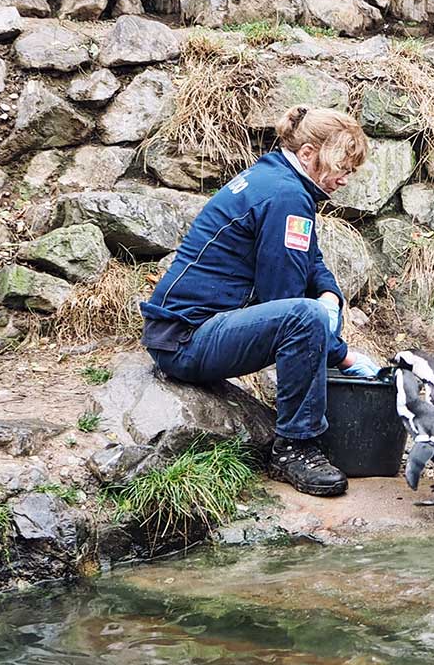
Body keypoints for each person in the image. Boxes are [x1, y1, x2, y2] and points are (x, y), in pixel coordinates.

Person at [140, 105, 382, 497]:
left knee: (310, 311)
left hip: (187, 332)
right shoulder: (286, 196)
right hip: (186, 342)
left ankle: (297, 439)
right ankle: (294, 448)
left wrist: (328, 293)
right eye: (342, 165)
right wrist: (343, 356)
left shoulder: (278, 181)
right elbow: (283, 299)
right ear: (308, 154)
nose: (345, 178)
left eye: (351, 170)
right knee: (303, 318)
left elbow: (309, 258)